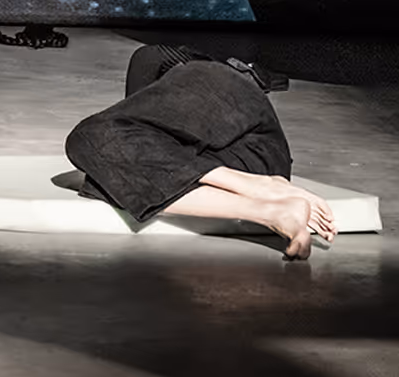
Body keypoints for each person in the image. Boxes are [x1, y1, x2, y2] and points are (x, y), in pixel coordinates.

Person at [65, 47, 335, 260]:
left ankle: (259, 188)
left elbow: (152, 58)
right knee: (112, 181)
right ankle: (270, 211)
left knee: (91, 140)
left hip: (225, 94)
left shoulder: (194, 71)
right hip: (255, 159)